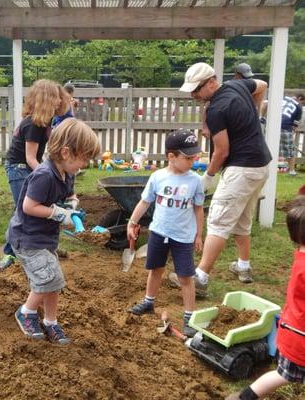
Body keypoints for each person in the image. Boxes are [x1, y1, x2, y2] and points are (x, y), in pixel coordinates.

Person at [170, 62, 271, 296]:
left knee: (218, 220)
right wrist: (255, 114)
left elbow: (221, 151)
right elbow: (262, 85)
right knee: (242, 219)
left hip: (242, 169)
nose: (194, 95)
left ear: (212, 82)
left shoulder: (216, 109)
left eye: (196, 90)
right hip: (261, 165)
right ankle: (243, 267)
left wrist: (209, 176)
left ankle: (201, 277)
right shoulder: (237, 86)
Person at [9, 118, 100, 344]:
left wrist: (72, 207)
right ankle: (27, 312)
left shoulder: (67, 173)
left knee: (53, 282)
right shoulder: (44, 174)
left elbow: (70, 195)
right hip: (27, 238)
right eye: (84, 158)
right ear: (67, 152)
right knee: (50, 278)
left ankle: (51, 322)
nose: (85, 164)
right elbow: (28, 206)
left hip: (46, 238)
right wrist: (58, 214)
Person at [225, 196, 305, 400]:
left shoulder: (300, 256)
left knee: (282, 374)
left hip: (290, 334)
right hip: (301, 338)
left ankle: (245, 396)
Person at [127, 130, 204, 338]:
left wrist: (198, 235)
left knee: (185, 277)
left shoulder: (195, 181)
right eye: (188, 158)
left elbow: (198, 209)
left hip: (183, 237)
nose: (193, 160)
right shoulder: (158, 177)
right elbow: (145, 201)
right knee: (156, 269)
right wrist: (132, 222)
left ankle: (189, 317)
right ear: (171, 157)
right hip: (159, 232)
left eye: (194, 156)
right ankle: (148, 303)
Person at [0, 79, 71, 271]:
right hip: (19, 168)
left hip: (27, 167)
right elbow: (30, 158)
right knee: (24, 209)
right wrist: (48, 176)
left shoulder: (44, 123)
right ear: (45, 99)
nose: (58, 101)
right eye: (55, 97)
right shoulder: (33, 124)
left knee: (31, 207)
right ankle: (10, 254)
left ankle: (38, 246)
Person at [278, 94, 304, 176]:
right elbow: (295, 124)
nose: (302, 104)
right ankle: (292, 171)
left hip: (273, 124)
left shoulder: (283, 98)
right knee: (290, 151)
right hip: (285, 127)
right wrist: (292, 132)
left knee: (270, 147)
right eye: (303, 102)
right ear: (300, 98)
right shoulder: (299, 107)